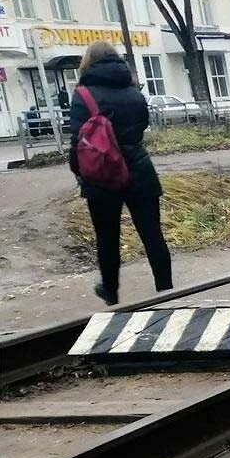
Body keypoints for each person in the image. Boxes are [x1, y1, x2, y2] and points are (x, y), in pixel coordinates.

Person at [68, 40, 172, 306]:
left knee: (107, 237)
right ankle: (167, 290)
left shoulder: (83, 94)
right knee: (152, 233)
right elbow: (142, 124)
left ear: (88, 62)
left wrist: (80, 174)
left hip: (103, 175)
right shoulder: (133, 91)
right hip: (140, 168)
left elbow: (77, 141)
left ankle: (111, 293)